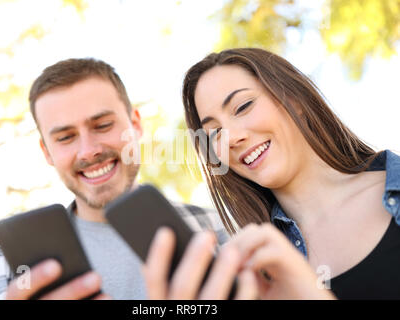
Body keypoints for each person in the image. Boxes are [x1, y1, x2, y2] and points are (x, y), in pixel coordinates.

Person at [143, 47, 400, 300]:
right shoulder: (253, 274)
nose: (231, 138)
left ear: (295, 101)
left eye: (242, 107)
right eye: (215, 132)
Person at [0, 58, 229, 300]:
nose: (88, 151)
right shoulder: (3, 270)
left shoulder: (219, 231)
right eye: (65, 137)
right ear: (47, 152)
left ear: (135, 125)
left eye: (103, 125)